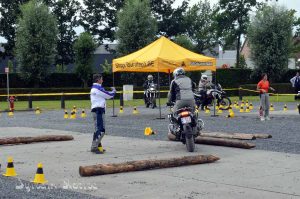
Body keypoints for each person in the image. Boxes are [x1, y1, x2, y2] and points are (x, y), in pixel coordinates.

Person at [90, 74, 116, 154]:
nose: (102, 80)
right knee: (101, 130)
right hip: (99, 110)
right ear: (98, 80)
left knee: (97, 129)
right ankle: (94, 147)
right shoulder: (98, 88)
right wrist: (114, 91)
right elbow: (108, 95)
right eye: (101, 79)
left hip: (95, 109)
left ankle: (97, 146)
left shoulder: (93, 88)